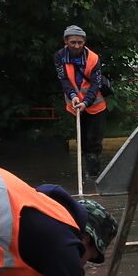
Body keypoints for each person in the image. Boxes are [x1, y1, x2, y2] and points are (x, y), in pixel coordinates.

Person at [54, 24, 107, 187]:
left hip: (95, 105)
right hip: (75, 105)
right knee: (83, 141)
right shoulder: (59, 57)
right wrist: (73, 96)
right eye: (73, 42)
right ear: (66, 41)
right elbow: (63, 79)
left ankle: (93, 176)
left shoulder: (93, 58)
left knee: (94, 142)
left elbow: (96, 84)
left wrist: (86, 101)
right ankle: (86, 174)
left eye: (80, 42)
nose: (77, 46)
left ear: (84, 42)